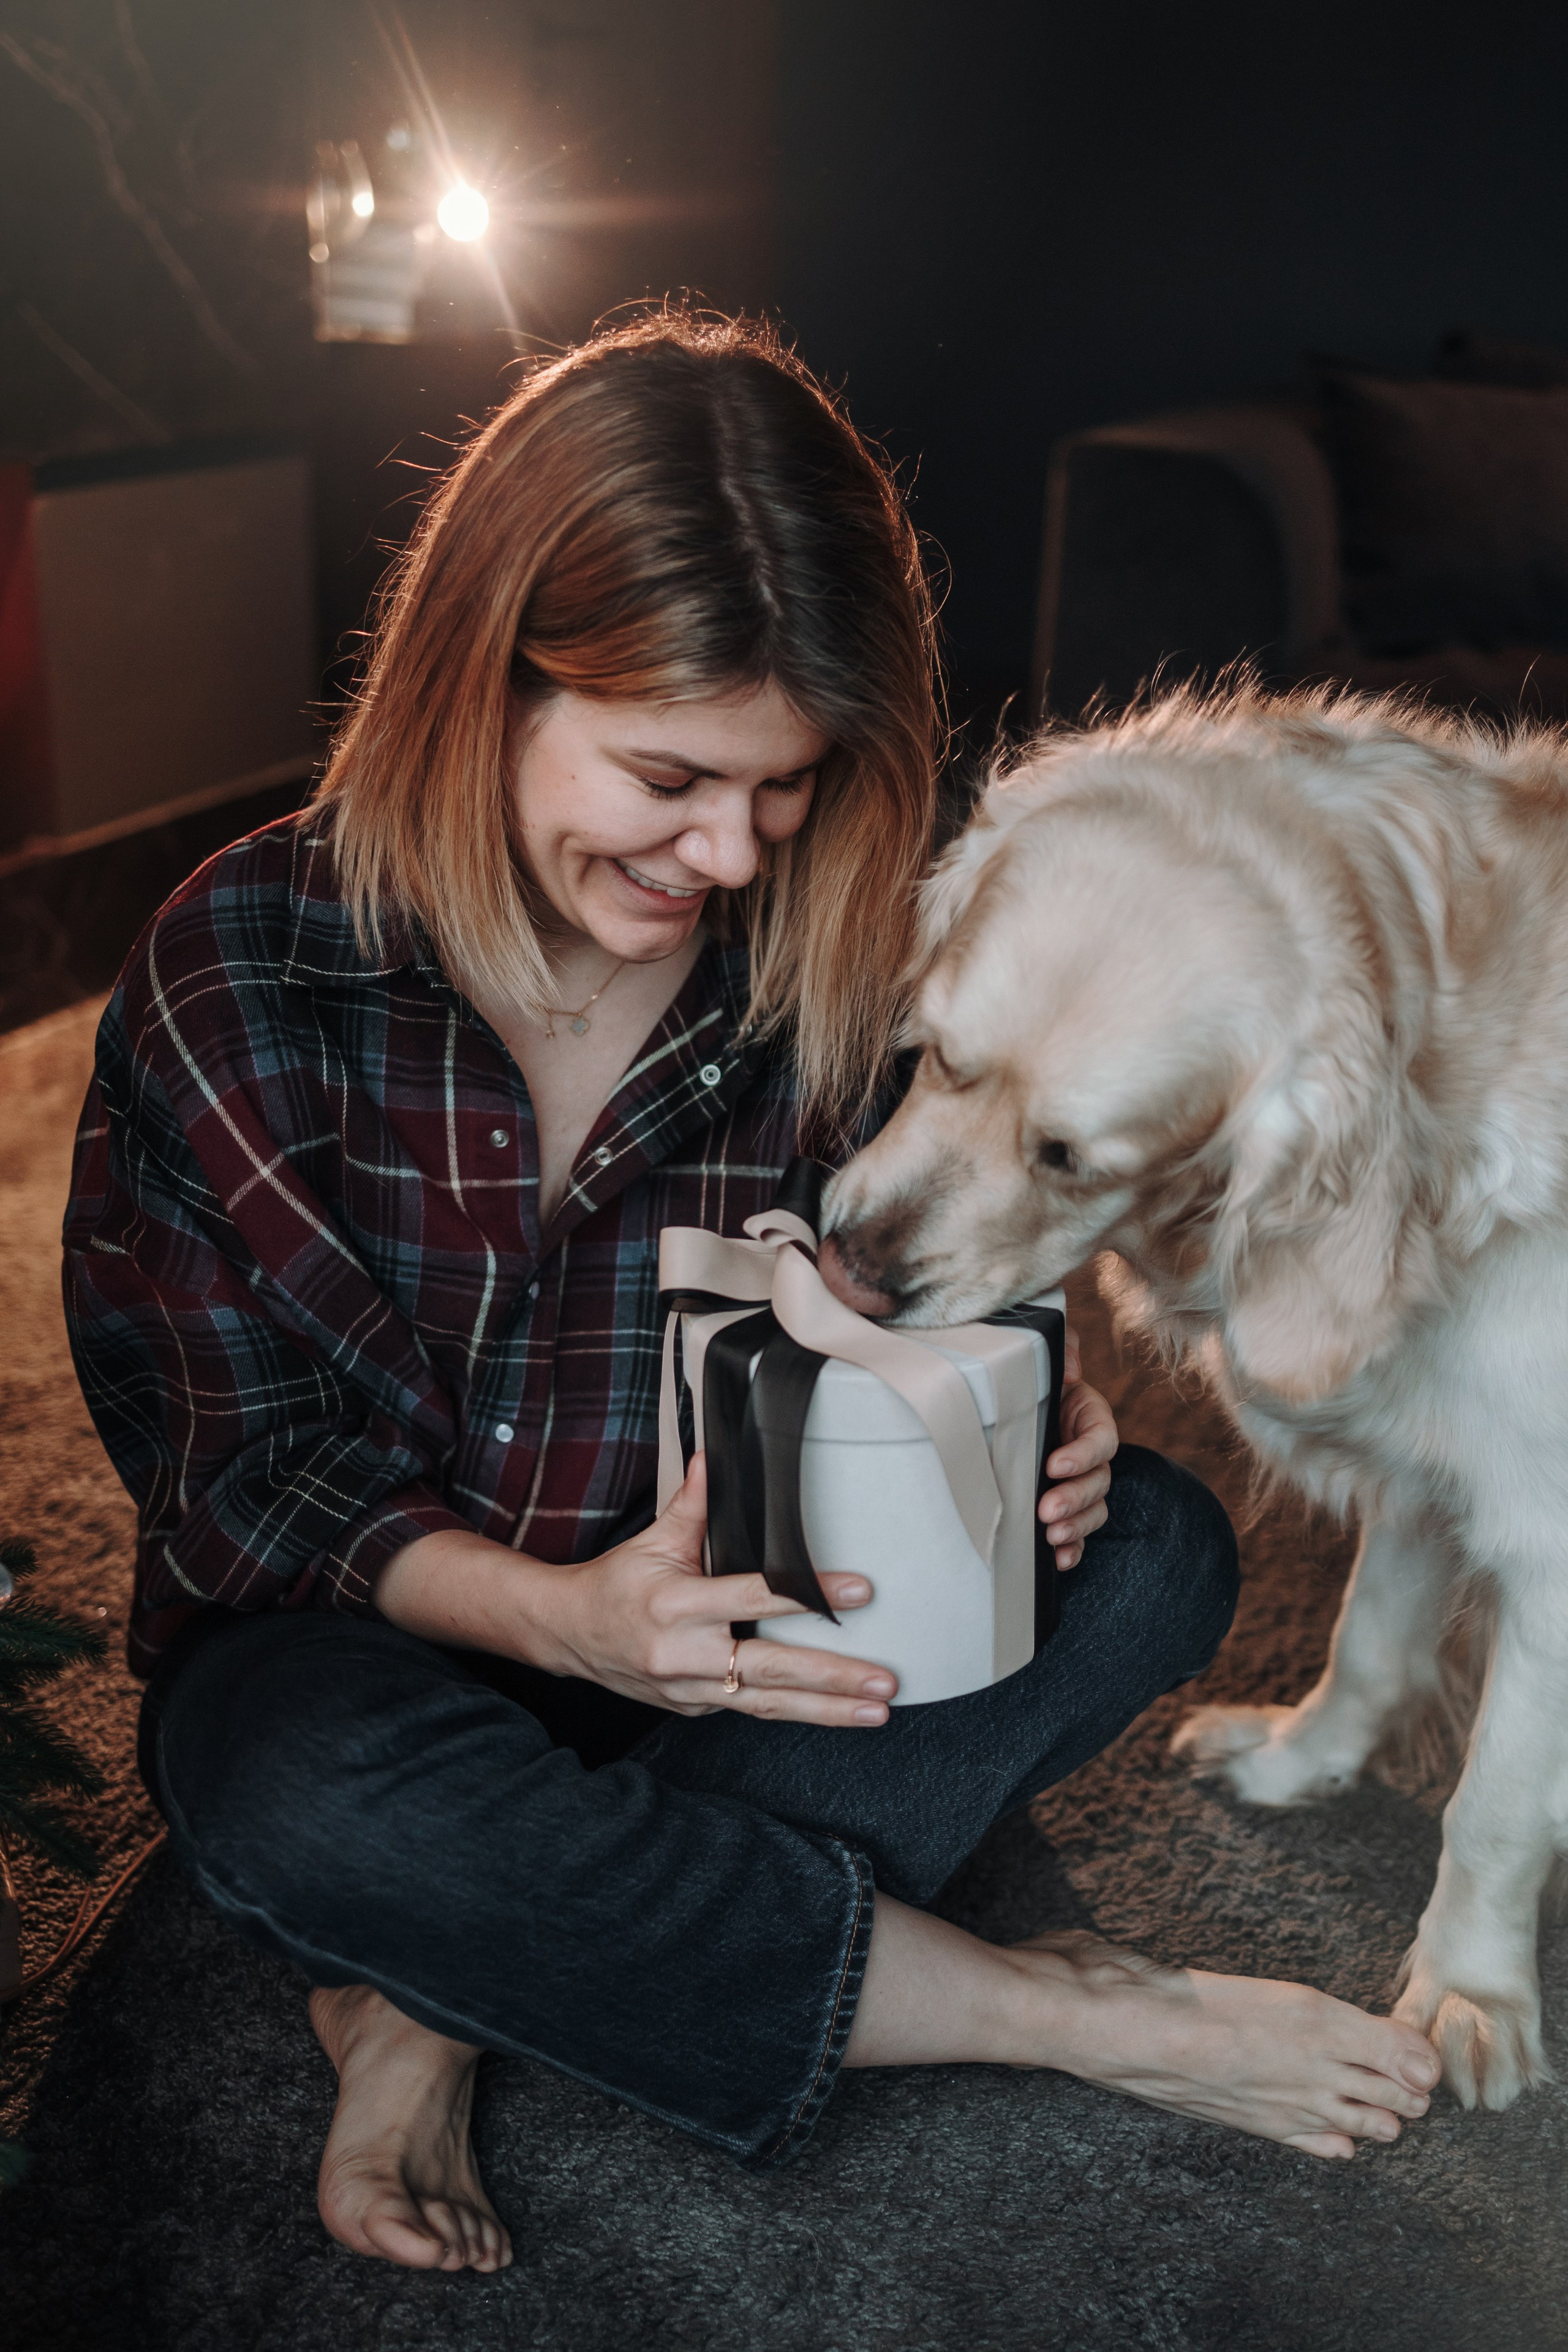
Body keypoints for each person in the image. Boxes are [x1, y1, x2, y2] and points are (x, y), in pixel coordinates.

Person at [64, 313, 1440, 2279]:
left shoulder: (840, 955)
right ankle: (1041, 2004)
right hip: (380, 1650)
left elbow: (946, 1276)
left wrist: (1014, 1421)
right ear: (488, 680)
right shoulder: (245, 970)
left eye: (783, 788)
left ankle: (442, 1984)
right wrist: (563, 1624)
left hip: (759, 1612)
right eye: (667, 775)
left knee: (1150, 1555)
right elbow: (242, 1485)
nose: (725, 852)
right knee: (284, 1790)